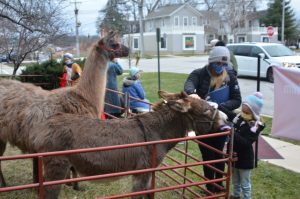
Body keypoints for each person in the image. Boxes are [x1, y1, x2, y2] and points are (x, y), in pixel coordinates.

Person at [184, 46, 241, 193]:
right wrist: (192, 93)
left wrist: (220, 106)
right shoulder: (199, 74)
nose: (221, 67)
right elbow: (189, 84)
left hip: (221, 122)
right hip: (203, 123)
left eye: (224, 64)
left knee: (220, 154)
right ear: (211, 62)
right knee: (208, 154)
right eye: (218, 63)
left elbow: (237, 100)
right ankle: (210, 186)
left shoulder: (230, 76)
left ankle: (219, 184)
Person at [230, 92, 265, 199]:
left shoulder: (255, 126)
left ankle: (246, 197)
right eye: (243, 105)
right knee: (235, 180)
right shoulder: (240, 118)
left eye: (246, 107)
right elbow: (232, 124)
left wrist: (232, 133)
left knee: (245, 183)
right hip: (234, 156)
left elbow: (246, 143)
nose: (243, 108)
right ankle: (236, 195)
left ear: (252, 110)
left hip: (245, 159)